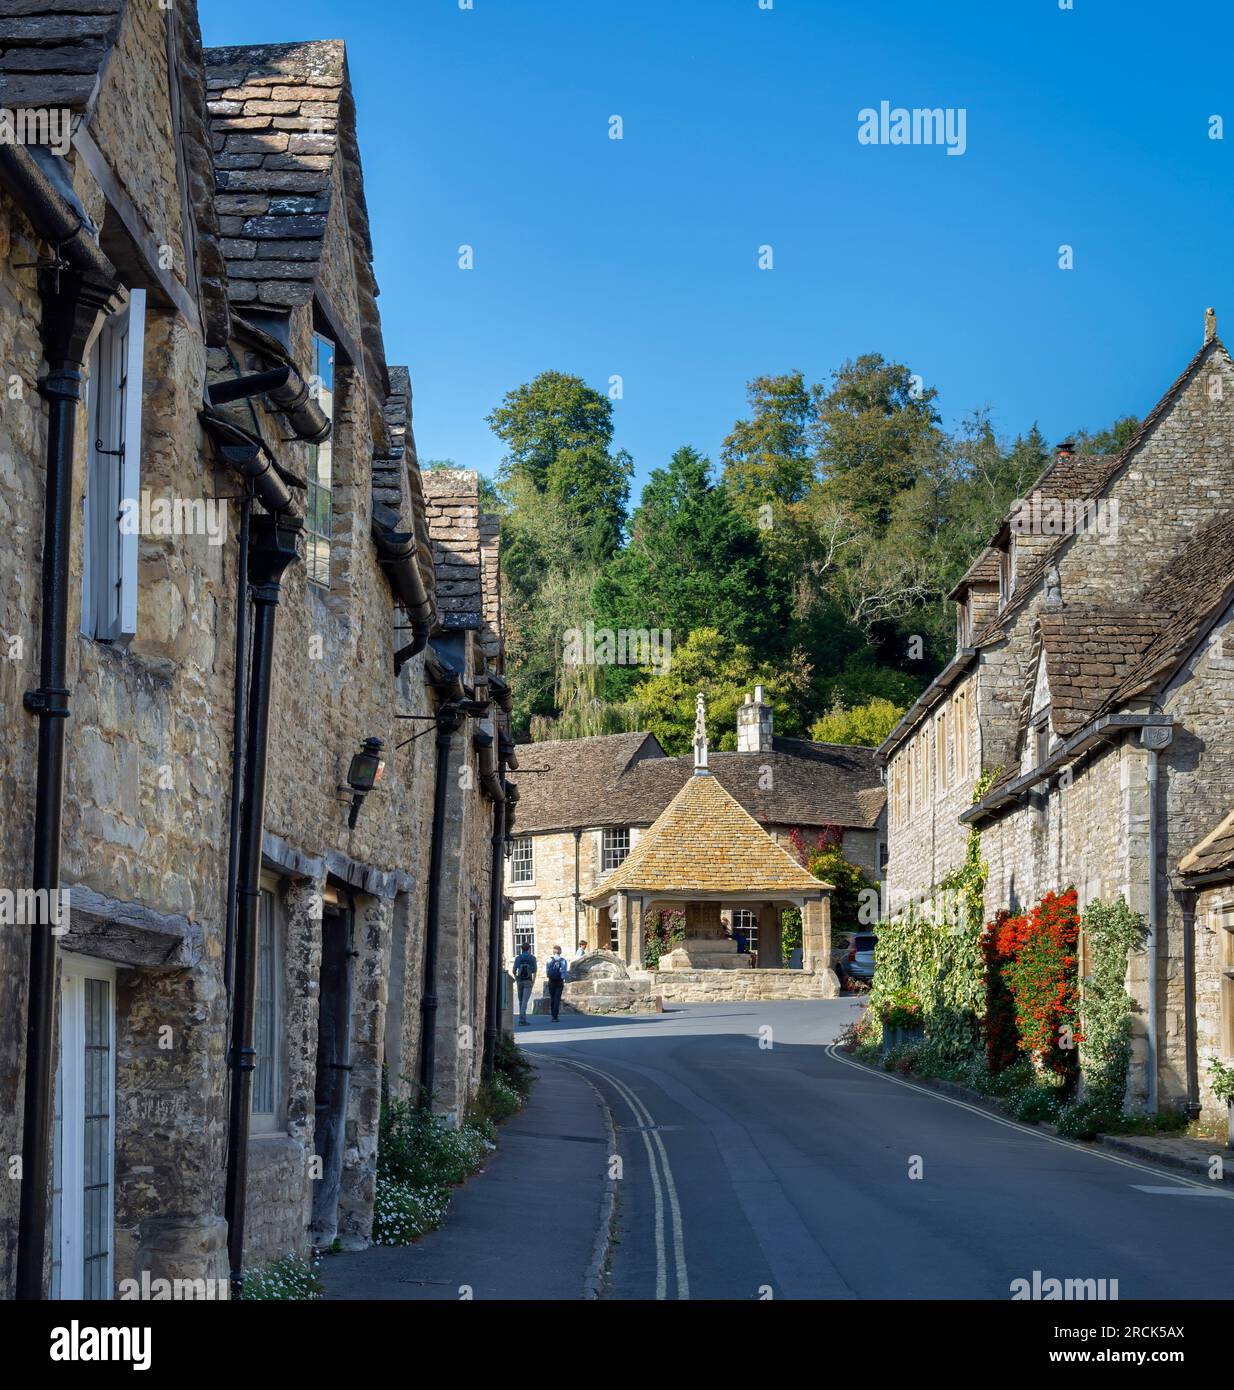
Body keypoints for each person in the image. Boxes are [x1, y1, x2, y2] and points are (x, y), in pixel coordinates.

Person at [512, 942, 537, 1025]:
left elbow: (514, 971)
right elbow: (534, 970)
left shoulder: (518, 958)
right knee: (524, 1001)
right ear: (529, 949)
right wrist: (533, 981)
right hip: (528, 981)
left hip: (520, 981)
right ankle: (522, 1019)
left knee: (520, 1000)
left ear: (521, 949)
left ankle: (522, 1018)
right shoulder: (532, 958)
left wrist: (517, 979)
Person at [545, 945, 569, 1022]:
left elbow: (547, 970)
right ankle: (555, 1016)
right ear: (560, 952)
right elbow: (564, 972)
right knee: (557, 999)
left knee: (552, 998)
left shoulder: (549, 960)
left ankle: (552, 1015)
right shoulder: (563, 960)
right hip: (559, 981)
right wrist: (563, 979)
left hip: (551, 981)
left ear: (553, 951)